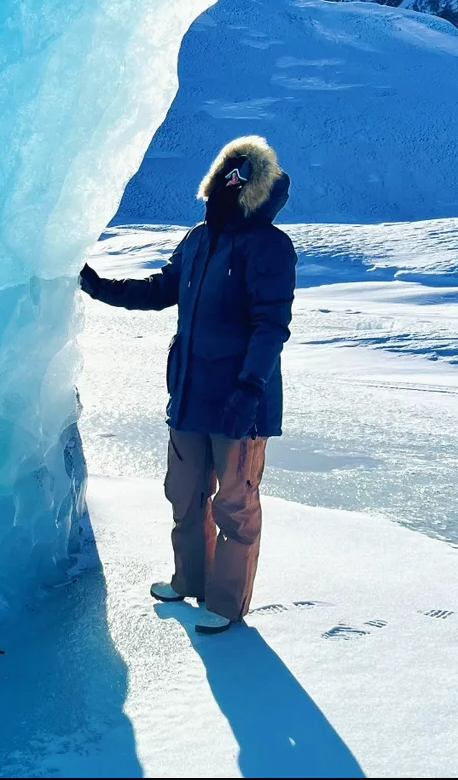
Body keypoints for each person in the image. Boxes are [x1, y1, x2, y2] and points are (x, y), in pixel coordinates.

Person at [79, 135, 296, 635]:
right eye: (225, 176)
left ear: (255, 190)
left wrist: (249, 389)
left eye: (239, 180)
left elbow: (271, 326)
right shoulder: (199, 239)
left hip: (240, 402)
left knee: (235, 504)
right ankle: (189, 580)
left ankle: (225, 602)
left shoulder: (270, 247)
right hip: (191, 394)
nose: (228, 186)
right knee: (184, 493)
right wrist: (98, 286)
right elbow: (162, 289)